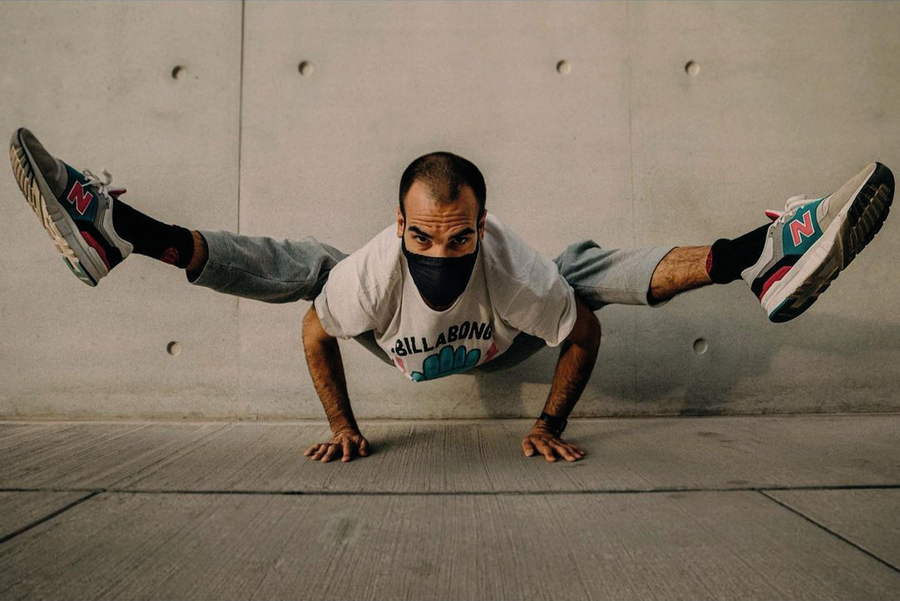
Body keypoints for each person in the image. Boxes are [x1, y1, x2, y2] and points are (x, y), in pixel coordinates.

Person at [9, 128, 894, 465]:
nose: (440, 247)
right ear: (398, 224)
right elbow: (318, 334)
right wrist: (343, 425)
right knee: (309, 267)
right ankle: (122, 230)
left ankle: (763, 253)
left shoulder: (514, 267)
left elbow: (581, 332)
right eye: (422, 233)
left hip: (501, 338)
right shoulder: (371, 270)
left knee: (577, 269)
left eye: (459, 234)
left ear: (482, 224)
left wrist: (547, 422)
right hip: (390, 345)